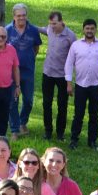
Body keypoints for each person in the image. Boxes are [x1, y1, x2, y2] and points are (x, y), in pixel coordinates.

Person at [65, 19, 98, 151]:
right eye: (87, 28)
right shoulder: (76, 45)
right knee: (78, 114)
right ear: (83, 29)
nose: (89, 31)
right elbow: (69, 64)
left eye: (92, 28)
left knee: (94, 115)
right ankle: (74, 140)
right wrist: (69, 83)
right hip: (80, 85)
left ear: (96, 30)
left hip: (96, 86)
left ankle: (92, 141)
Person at [37, 11, 76, 142]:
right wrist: (27, 24)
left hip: (62, 75)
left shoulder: (70, 36)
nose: (52, 26)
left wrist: (71, 78)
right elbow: (41, 29)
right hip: (48, 73)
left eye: (54, 23)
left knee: (62, 105)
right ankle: (48, 131)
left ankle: (60, 133)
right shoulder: (49, 30)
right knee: (46, 103)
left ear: (61, 22)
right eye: (50, 24)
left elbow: (75, 56)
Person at [6, 3, 42, 140]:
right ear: (14, 16)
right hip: (11, 72)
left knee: (28, 100)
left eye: (24, 15)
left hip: (28, 71)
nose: (21, 18)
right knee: (13, 101)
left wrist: (29, 58)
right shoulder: (7, 30)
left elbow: (36, 48)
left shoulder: (33, 30)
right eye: (19, 15)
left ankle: (23, 122)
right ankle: (14, 129)